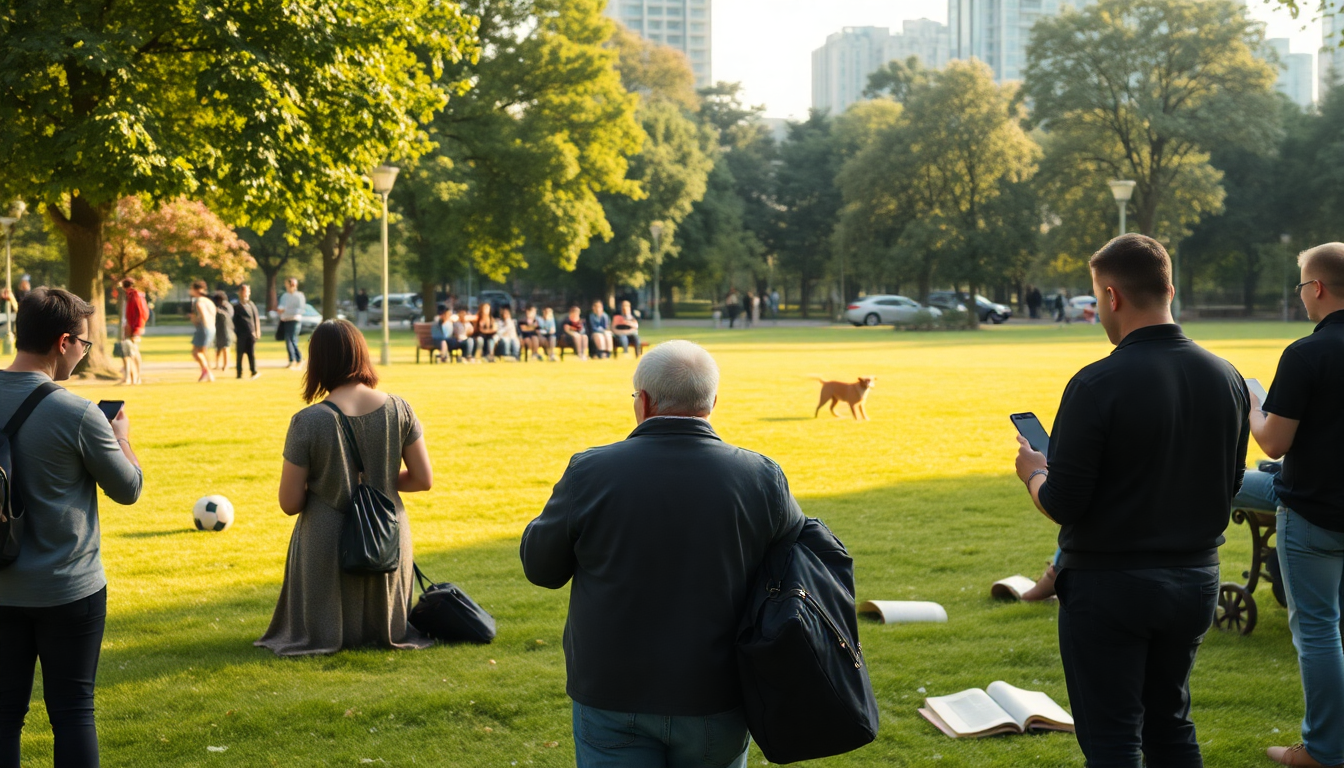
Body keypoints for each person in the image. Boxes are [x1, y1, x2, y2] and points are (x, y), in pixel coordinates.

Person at [1013, 234, 1250, 768]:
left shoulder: (1097, 383)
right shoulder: (1227, 377)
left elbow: (1065, 501)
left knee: (1113, 737)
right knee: (1170, 723)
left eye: (1097, 298)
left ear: (1112, 297)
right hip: (1194, 578)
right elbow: (1229, 483)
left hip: (1109, 583)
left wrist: (1033, 473)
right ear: (1169, 288)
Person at [521, 340, 805, 768]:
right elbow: (795, 564)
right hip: (718, 690)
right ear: (712, 402)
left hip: (612, 688)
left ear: (645, 401)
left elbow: (541, 569)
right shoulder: (762, 476)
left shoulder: (591, 471)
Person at [0, 288, 143, 768]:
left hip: (0, 587)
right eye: (83, 344)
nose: (83, 355)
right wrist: (121, 439)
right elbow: (128, 489)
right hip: (69, 588)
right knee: (73, 711)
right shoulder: (78, 413)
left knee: (2, 716)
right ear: (63, 342)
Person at [256, 319, 433, 656]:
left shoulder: (307, 421)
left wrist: (334, 482)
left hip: (328, 539)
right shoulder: (400, 408)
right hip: (388, 535)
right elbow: (423, 479)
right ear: (361, 354)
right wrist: (379, 478)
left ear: (318, 362)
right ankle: (385, 629)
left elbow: (290, 502)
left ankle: (328, 633)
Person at [1232, 243, 1344, 768]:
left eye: (1301, 286)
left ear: (1317, 288)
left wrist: (1254, 406)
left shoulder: (1306, 353)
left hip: (1314, 514)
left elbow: (1273, 442)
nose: (1300, 296)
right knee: (1231, 483)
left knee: (1319, 630)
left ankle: (1321, 752)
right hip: (1316, 494)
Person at [119, 278, 147, 386]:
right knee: (127, 353)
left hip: (133, 328)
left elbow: (141, 313)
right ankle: (129, 377)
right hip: (128, 327)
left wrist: (137, 328)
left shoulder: (135, 296)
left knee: (133, 352)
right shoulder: (129, 296)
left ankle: (137, 377)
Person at [188, 280, 217, 383]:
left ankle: (206, 371)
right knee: (204, 352)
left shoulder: (198, 301)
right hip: (212, 328)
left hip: (203, 328)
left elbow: (202, 314)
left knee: (196, 352)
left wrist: (195, 319)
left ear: (195, 289)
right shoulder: (209, 301)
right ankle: (208, 374)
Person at [233, 284, 262, 380]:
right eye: (243, 291)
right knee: (240, 354)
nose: (245, 294)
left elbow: (256, 318)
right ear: (239, 293)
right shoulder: (236, 307)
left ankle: (254, 371)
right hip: (241, 334)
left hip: (251, 333)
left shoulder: (251, 305)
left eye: (247, 291)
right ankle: (239, 373)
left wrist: (257, 331)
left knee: (251, 353)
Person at [278, 277, 306, 370]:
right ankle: (291, 359)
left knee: (292, 339)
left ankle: (298, 359)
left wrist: (286, 310)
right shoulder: (284, 296)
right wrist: (280, 310)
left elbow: (300, 309)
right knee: (288, 339)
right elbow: (281, 306)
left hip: (294, 320)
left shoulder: (299, 296)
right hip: (285, 320)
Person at [211, 291, 235, 372]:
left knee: (225, 347)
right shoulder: (218, 306)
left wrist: (218, 311)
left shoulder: (227, 306)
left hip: (227, 329)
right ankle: (216, 364)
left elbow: (228, 315)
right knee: (218, 348)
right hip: (219, 329)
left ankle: (226, 365)